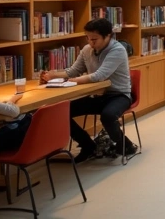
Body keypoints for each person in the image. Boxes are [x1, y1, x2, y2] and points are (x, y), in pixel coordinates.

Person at [40, 18, 136, 162]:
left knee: (108, 116)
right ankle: (88, 145)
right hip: (97, 95)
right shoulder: (87, 50)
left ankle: (125, 145)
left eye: (94, 39)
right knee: (61, 112)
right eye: (88, 38)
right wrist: (53, 75)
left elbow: (99, 76)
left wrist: (73, 81)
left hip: (118, 95)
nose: (91, 42)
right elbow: (73, 71)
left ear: (108, 36)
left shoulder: (118, 50)